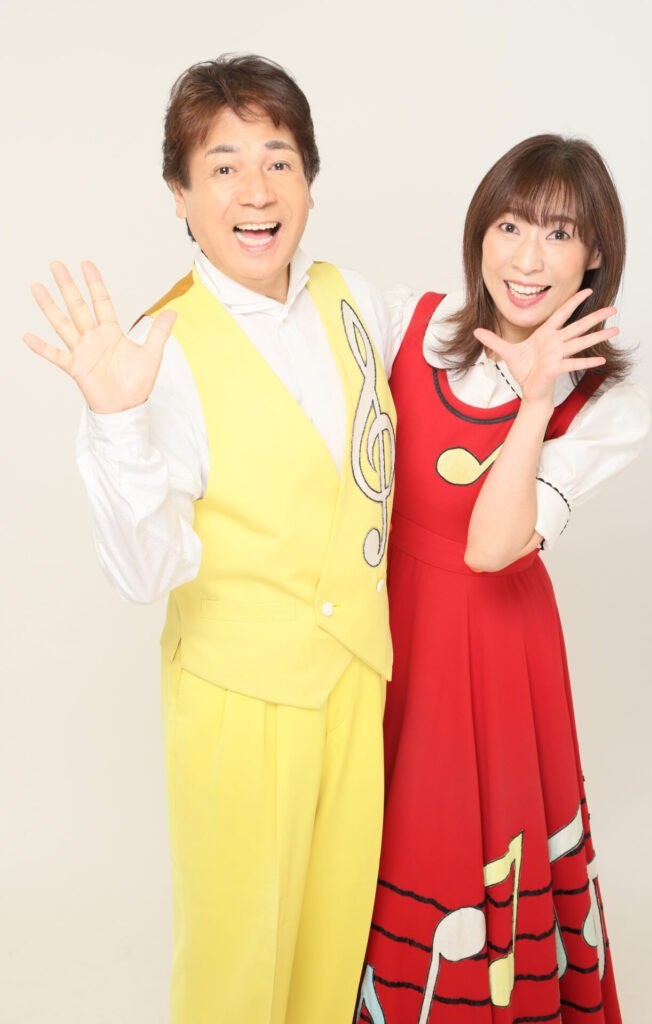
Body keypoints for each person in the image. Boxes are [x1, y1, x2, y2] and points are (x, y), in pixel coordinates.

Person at [23, 54, 397, 1024]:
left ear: (310, 181)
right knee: (238, 967)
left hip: (357, 680)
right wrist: (116, 420)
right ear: (180, 196)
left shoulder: (356, 299)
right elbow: (146, 570)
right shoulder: (155, 352)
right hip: (239, 699)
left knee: (332, 952)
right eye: (222, 166)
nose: (255, 191)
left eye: (278, 160)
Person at [357, 136, 650, 1023]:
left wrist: (534, 400)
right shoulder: (406, 323)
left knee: (463, 842)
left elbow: (490, 548)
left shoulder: (606, 407)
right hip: (381, 627)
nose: (527, 258)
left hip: (493, 653)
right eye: (511, 226)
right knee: (367, 839)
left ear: (594, 256)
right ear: (480, 232)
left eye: (559, 234)